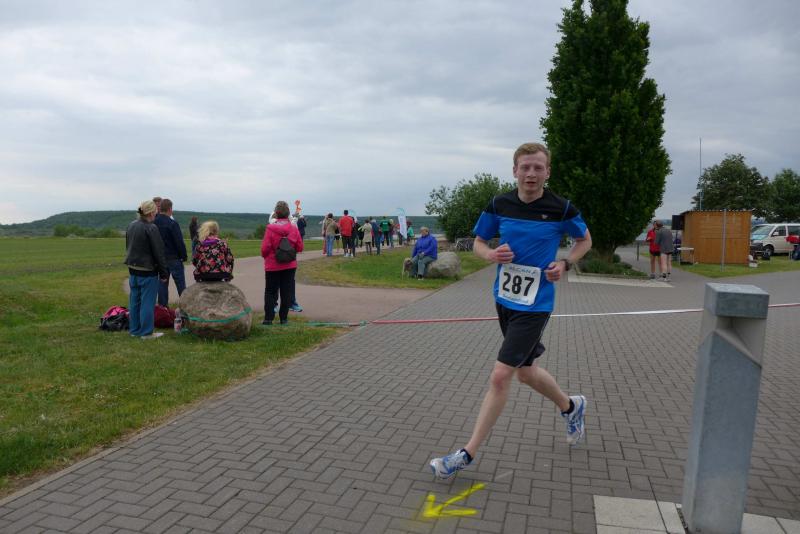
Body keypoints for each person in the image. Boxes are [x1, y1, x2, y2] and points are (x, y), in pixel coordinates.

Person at [429, 142, 592, 480]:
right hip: (504, 300)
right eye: (525, 167)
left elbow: (585, 240)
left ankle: (466, 454)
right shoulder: (499, 204)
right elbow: (478, 242)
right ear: (515, 170)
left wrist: (565, 263)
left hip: (536, 304)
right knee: (526, 372)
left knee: (501, 375)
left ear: (547, 172)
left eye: (538, 167)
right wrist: (490, 255)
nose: (531, 173)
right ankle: (571, 406)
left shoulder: (562, 208)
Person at [124, 200, 169, 339]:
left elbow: (128, 246)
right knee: (147, 303)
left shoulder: (131, 225)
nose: (156, 213)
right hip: (147, 271)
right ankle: (146, 332)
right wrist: (164, 273)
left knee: (134, 302)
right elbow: (158, 252)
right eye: (155, 211)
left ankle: (134, 330)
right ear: (151, 213)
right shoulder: (151, 228)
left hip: (133, 269)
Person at [261, 201, 304, 325]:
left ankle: (268, 319)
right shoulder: (294, 228)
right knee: (287, 291)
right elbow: (300, 247)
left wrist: (266, 256)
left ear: (276, 213)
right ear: (288, 213)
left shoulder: (270, 228)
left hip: (272, 265)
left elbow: (265, 249)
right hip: (289, 264)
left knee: (270, 291)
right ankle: (284, 319)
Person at [153, 199, 188, 307]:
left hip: (160, 259)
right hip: (174, 258)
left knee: (162, 284)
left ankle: (163, 307)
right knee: (180, 284)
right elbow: (179, 242)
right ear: (170, 209)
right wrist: (183, 256)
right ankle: (185, 306)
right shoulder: (172, 223)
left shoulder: (154, 223)